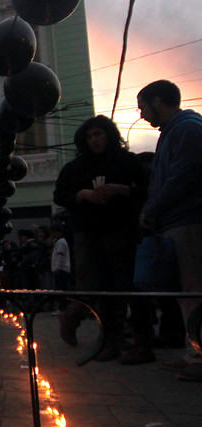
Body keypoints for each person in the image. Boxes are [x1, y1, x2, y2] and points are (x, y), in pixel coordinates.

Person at [54, 115, 154, 364]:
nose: (94, 140)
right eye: (89, 136)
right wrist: (83, 195)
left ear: (109, 134)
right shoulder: (77, 167)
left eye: (98, 134)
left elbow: (148, 189)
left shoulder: (126, 161)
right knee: (104, 291)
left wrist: (122, 190)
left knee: (130, 289)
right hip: (92, 234)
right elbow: (60, 195)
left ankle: (143, 342)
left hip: (124, 233)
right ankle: (110, 341)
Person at [137, 80, 202, 381]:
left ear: (158, 101)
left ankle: (199, 358)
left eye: (144, 107)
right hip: (175, 222)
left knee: (194, 292)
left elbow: (182, 177)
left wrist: (153, 209)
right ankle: (194, 353)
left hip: (187, 221)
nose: (143, 114)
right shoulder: (175, 132)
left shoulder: (187, 129)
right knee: (186, 295)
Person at [50, 224, 71, 313]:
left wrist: (57, 267)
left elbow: (60, 255)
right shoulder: (61, 242)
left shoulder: (61, 242)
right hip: (62, 269)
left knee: (61, 289)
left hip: (61, 269)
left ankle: (63, 308)